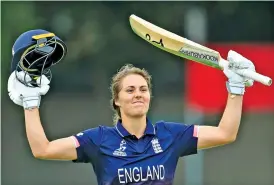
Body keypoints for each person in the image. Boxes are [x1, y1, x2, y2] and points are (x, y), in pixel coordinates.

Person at [8, 30, 255, 185]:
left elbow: (226, 133)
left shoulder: (171, 135)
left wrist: (236, 87)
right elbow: (43, 149)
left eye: (143, 89)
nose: (138, 94)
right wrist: (31, 102)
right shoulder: (99, 140)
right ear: (116, 100)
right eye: (130, 90)